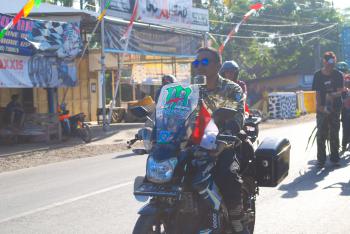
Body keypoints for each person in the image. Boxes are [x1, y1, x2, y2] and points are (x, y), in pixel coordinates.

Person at [192, 47, 248, 233]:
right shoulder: (190, 90)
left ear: (217, 65)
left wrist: (224, 139)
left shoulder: (232, 88)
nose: (200, 67)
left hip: (223, 143)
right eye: (197, 63)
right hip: (194, 143)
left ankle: (238, 222)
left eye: (205, 62)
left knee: (226, 175)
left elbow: (237, 116)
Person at [312, 52, 344, 167]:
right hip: (322, 109)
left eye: (332, 63)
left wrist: (332, 95)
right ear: (324, 62)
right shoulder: (318, 75)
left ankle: (335, 158)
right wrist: (320, 107)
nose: (330, 66)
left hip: (335, 108)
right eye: (328, 63)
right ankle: (321, 159)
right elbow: (318, 93)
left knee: (334, 133)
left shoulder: (338, 74)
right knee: (321, 134)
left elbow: (341, 91)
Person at [336, 61, 350, 152]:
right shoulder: (336, 79)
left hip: (346, 106)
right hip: (343, 107)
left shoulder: (346, 78)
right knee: (345, 125)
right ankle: (344, 144)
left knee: (345, 126)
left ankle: (344, 144)